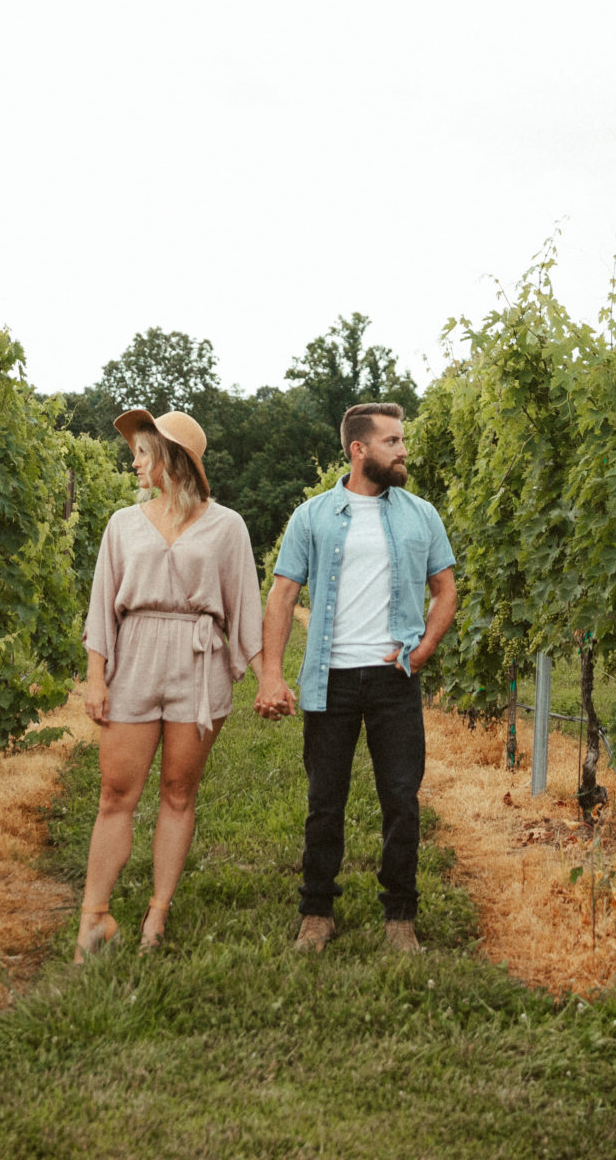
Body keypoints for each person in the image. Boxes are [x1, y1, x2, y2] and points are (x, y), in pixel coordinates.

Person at [254, 403, 458, 952]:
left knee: (401, 797)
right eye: (392, 441)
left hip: (395, 677)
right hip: (331, 678)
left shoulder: (422, 514)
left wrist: (425, 649)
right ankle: (317, 912)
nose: (403, 450)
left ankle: (400, 917)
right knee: (326, 800)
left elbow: (446, 588)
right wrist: (270, 675)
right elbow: (282, 594)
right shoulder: (312, 516)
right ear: (358, 450)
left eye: (402, 440)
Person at [74, 408, 262, 958]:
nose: (134, 464)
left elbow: (244, 601)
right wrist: (95, 676)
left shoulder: (227, 525)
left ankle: (156, 915)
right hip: (133, 657)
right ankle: (95, 917)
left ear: (169, 457)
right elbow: (101, 607)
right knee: (115, 793)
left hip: (197, 662)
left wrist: (265, 677)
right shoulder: (121, 524)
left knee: (179, 793)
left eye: (141, 452)